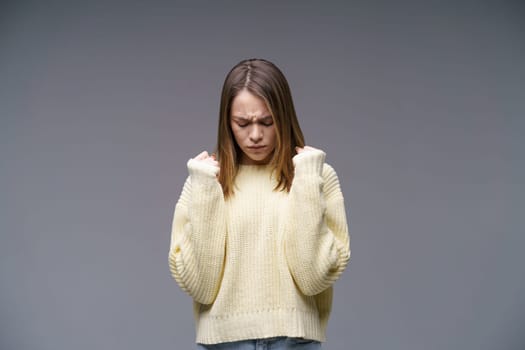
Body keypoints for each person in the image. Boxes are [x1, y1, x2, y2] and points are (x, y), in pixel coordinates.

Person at [168, 58, 351, 349]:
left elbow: (313, 278)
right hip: (223, 343)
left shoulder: (316, 176)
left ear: (284, 116)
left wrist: (305, 178)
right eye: (242, 123)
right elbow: (201, 286)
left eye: (267, 122)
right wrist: (204, 186)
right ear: (226, 122)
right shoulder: (204, 181)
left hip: (294, 341)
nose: (255, 135)